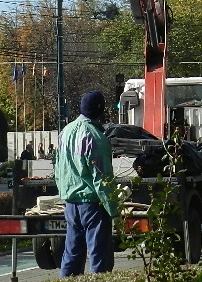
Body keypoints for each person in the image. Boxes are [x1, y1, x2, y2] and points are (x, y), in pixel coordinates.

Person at [55, 90, 119, 277]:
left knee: (72, 255)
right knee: (100, 258)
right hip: (92, 205)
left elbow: (58, 168)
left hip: (71, 204)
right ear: (101, 110)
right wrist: (113, 210)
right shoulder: (96, 137)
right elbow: (102, 178)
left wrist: (63, 193)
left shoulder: (65, 132)